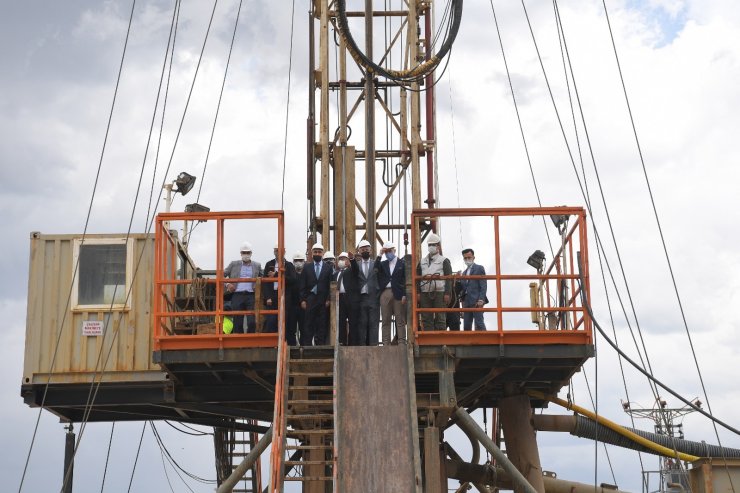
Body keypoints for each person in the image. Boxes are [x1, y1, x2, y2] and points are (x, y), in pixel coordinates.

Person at [224, 242, 263, 333]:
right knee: (238, 321)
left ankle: (250, 341)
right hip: (237, 295)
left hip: (251, 295)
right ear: (241, 253)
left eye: (248, 252)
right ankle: (239, 343)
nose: (246, 254)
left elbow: (263, 277)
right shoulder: (234, 264)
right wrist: (228, 284)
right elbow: (221, 275)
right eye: (244, 252)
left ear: (251, 253)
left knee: (252, 321)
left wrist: (257, 285)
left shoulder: (257, 265)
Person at [299, 242, 332, 346]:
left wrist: (328, 299)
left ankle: (320, 345)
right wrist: (303, 300)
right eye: (315, 252)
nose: (317, 253)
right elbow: (302, 285)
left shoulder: (328, 268)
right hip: (310, 299)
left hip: (323, 300)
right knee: (308, 323)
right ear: (312, 253)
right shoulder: (307, 267)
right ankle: (307, 345)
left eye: (319, 252)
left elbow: (330, 285)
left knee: (321, 324)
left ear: (322, 254)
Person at [416, 233, 452, 331]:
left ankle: (441, 341)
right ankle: (428, 341)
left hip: (439, 292)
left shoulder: (444, 261)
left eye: (433, 244)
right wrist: (418, 293)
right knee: (426, 318)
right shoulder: (422, 262)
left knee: (440, 317)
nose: (431, 247)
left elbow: (449, 278)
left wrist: (447, 293)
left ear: (438, 246)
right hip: (425, 292)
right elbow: (417, 279)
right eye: (429, 245)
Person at [377, 241, 407, 344]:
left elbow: (405, 279)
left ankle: (402, 342)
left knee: (400, 319)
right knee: (385, 319)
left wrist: (404, 294)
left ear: (394, 250)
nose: (388, 253)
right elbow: (375, 268)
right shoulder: (383, 264)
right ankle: (386, 343)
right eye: (386, 252)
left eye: (389, 251)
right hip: (385, 292)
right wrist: (380, 254)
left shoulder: (402, 263)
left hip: (398, 293)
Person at [262, 244, 297, 334]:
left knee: (285, 320)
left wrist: (276, 275)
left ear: (284, 251)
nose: (278, 252)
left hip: (285, 296)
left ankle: (283, 343)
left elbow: (292, 279)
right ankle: (270, 343)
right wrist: (268, 297)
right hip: (272, 297)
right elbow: (265, 282)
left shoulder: (289, 265)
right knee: (271, 320)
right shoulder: (269, 264)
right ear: (274, 252)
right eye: (276, 250)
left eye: (280, 250)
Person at [354, 239, 380, 345]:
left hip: (373, 298)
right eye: (362, 249)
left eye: (367, 249)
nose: (365, 251)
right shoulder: (356, 265)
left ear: (371, 251)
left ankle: (373, 346)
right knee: (362, 324)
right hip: (361, 299)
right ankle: (362, 347)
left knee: (373, 324)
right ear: (359, 251)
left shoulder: (376, 264)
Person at [334, 251, 360, 345]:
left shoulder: (351, 270)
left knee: (353, 322)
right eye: (340, 259)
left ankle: (353, 343)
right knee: (341, 322)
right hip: (340, 299)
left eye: (343, 259)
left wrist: (352, 260)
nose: (341, 261)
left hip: (351, 299)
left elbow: (356, 269)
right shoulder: (335, 273)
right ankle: (342, 342)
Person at [460, 248, 487, 330]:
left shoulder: (479, 268)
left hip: (476, 300)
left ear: (473, 257)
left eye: (469, 257)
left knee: (479, 323)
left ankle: (487, 341)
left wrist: (481, 299)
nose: (467, 259)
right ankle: (468, 342)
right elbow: (463, 289)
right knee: (466, 325)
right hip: (467, 302)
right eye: (465, 258)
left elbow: (483, 285)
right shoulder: (464, 273)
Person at [288, 251, 306, 346]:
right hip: (292, 306)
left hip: (304, 305)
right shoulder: (290, 275)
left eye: (300, 260)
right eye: (296, 260)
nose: (298, 262)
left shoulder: (307, 274)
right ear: (293, 262)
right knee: (291, 328)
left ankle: (303, 347)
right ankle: (292, 347)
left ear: (304, 261)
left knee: (304, 328)